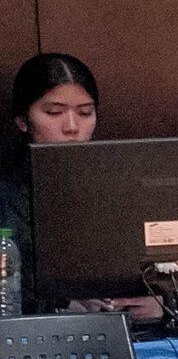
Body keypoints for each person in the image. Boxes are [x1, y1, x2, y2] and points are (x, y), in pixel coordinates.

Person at [0, 52, 102, 252]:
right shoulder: (6, 196)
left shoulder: (114, 186)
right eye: (54, 112)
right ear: (22, 120)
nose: (72, 127)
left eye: (85, 112)